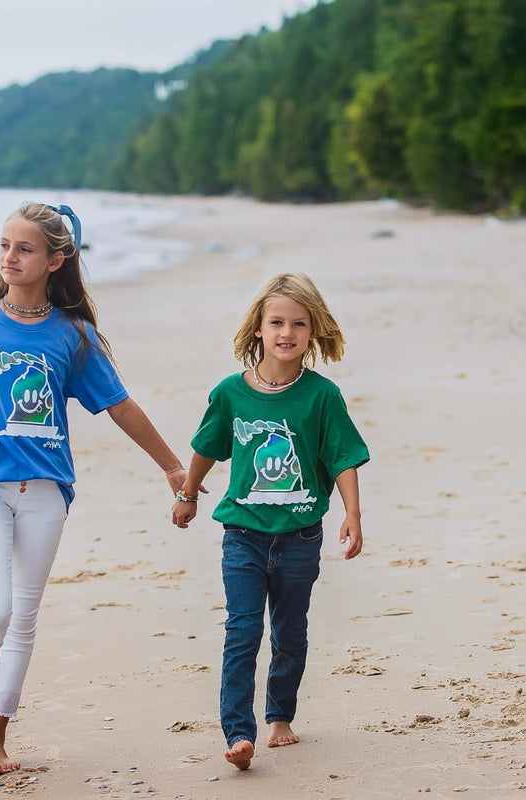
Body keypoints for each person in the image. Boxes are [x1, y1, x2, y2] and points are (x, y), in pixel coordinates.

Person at [0, 202, 189, 780]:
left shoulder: (73, 336)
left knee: (23, 617)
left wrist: (172, 466)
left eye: (23, 249)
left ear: (55, 259)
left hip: (45, 490)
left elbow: (119, 405)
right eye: (4, 246)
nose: (9, 258)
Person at [171, 273, 369, 771]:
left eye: (299, 323)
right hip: (243, 534)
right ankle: (239, 732)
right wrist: (188, 493)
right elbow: (206, 448)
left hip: (301, 535)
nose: (287, 332)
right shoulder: (231, 393)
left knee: (290, 630)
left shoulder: (322, 396)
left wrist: (353, 513)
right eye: (276, 322)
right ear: (257, 329)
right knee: (242, 629)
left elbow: (342, 456)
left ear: (313, 331)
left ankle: (280, 714)